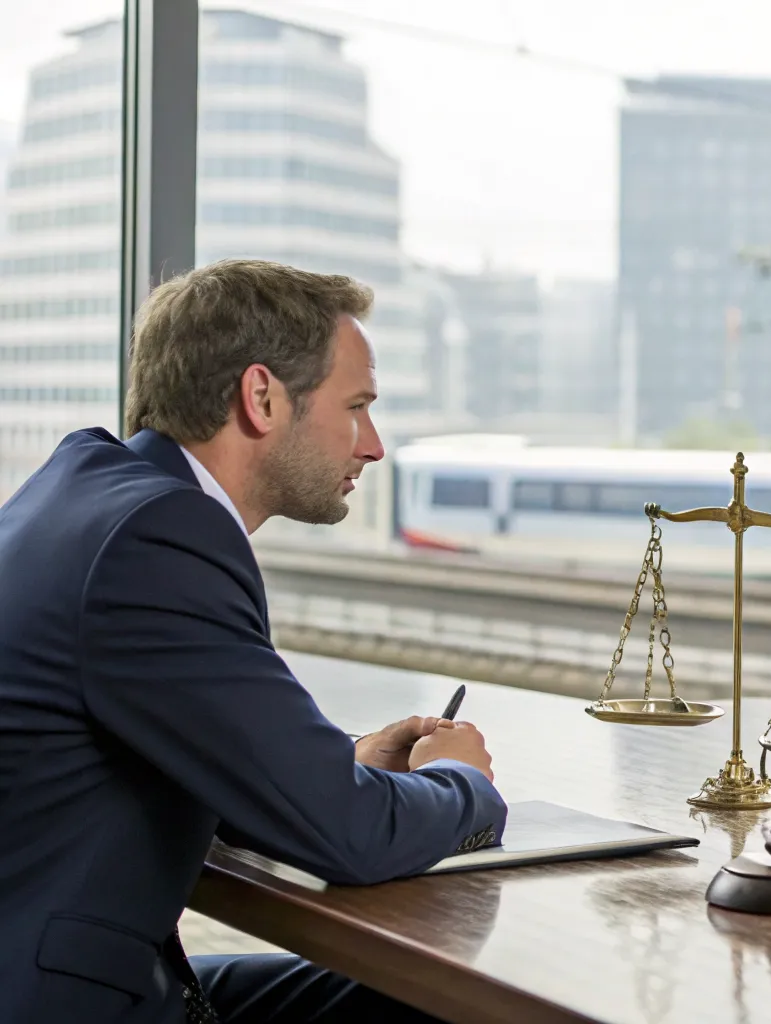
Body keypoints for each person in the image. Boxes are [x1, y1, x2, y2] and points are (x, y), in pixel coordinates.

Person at [0, 260, 508, 1023]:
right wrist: (467, 786)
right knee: (453, 1002)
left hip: (65, 967)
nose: (372, 446)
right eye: (357, 407)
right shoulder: (161, 539)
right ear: (262, 396)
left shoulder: (84, 489)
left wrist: (341, 764)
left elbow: (180, 744)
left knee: (405, 993)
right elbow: (347, 837)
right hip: (65, 1002)